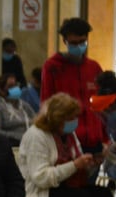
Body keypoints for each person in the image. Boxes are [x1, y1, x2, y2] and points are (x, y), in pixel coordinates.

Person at [41, 17, 105, 153]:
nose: (78, 46)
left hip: (94, 139)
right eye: (74, 43)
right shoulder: (53, 67)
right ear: (65, 41)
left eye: (82, 41)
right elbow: (46, 102)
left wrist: (104, 138)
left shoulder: (94, 68)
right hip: (67, 139)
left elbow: (102, 105)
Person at [0, 72, 35, 146]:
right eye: (10, 86)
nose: (15, 88)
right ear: (1, 89)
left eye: (16, 85)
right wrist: (19, 136)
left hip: (30, 140)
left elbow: (36, 120)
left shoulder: (24, 105)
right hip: (11, 143)